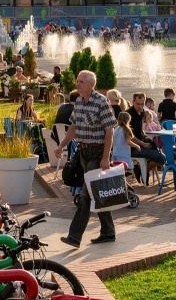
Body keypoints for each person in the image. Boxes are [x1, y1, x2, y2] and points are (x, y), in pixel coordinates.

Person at [55, 70, 118, 248]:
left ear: (91, 84)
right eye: (77, 80)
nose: (77, 83)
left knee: (86, 195)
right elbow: (73, 127)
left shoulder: (101, 102)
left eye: (81, 81)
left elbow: (109, 131)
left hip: (97, 153)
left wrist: (105, 157)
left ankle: (74, 236)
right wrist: (61, 145)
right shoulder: (80, 101)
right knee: (95, 192)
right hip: (83, 152)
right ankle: (108, 231)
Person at [127, 94, 165, 175]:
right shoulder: (128, 114)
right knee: (162, 158)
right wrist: (142, 144)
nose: (141, 107)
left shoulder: (142, 112)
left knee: (163, 154)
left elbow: (140, 131)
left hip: (142, 141)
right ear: (133, 102)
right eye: (138, 104)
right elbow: (129, 137)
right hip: (133, 147)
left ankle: (142, 169)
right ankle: (143, 171)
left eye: (142, 104)